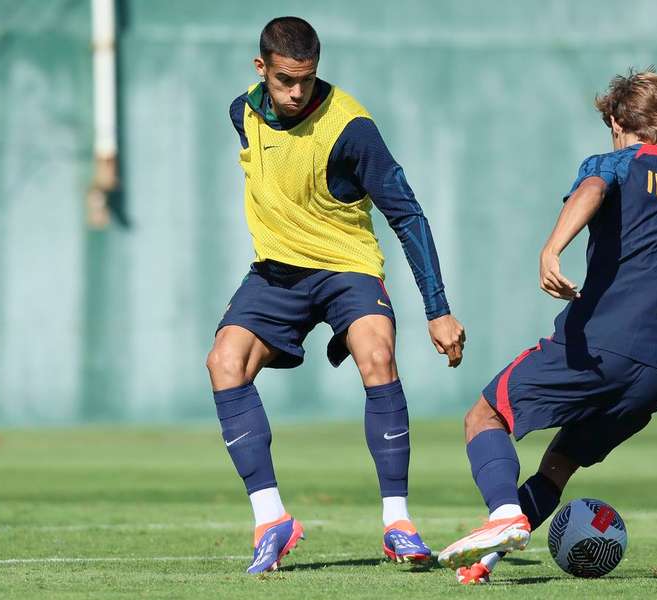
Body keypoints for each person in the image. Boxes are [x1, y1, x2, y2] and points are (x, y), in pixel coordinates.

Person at [437, 68, 657, 584]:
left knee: (484, 417)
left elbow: (594, 186)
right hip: (655, 372)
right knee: (558, 465)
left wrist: (552, 248)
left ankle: (504, 515)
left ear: (617, 119)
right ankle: (485, 562)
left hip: (598, 344)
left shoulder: (617, 162)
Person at [205, 16, 466, 574]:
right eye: (284, 80)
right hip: (277, 274)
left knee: (377, 355)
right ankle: (271, 518)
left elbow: (408, 215)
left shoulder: (351, 127)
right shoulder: (242, 114)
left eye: (306, 79)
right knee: (224, 362)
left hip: (346, 268)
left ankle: (398, 523)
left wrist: (438, 310)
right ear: (261, 69)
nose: (296, 92)